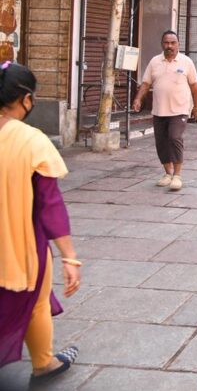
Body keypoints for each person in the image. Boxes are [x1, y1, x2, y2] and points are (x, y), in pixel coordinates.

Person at [0, 62, 81, 385]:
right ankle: (43, 363)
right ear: (25, 99)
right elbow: (50, 205)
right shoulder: (31, 140)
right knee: (34, 301)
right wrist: (70, 256)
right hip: (19, 242)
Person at [132, 30, 197, 191]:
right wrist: (138, 99)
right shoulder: (155, 62)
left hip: (180, 110)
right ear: (162, 44)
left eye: (173, 43)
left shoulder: (186, 62)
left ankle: (177, 175)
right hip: (159, 110)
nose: (169, 46)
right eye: (166, 43)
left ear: (178, 44)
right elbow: (146, 83)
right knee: (161, 142)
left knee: (174, 137)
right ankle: (168, 173)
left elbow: (194, 87)